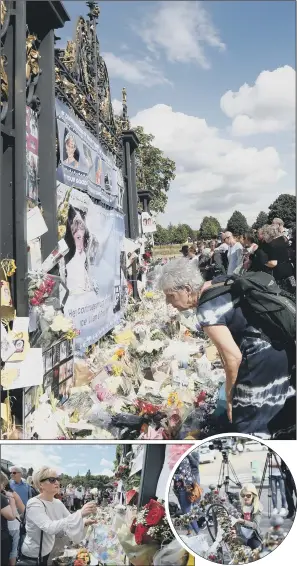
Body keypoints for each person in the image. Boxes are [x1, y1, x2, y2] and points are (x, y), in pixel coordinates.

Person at [157, 257, 294, 437]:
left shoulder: (207, 309)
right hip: (283, 350)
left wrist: (230, 396)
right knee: (278, 412)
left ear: (187, 289)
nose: (169, 302)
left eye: (171, 296)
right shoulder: (218, 282)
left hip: (260, 359)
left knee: (249, 423)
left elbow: (233, 358)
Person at [20, 467, 97, 566]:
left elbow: (70, 521)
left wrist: (84, 521)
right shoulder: (34, 504)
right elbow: (50, 528)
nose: (57, 482)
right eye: (52, 480)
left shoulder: (57, 503)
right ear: (40, 484)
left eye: (58, 479)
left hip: (48, 551)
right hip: (33, 555)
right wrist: (80, 513)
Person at [262, 224, 295, 294]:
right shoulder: (283, 239)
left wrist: (264, 264)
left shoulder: (270, 245)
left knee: (284, 295)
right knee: (294, 290)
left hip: (279, 274)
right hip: (289, 270)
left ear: (268, 234)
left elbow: (273, 263)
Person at [1, 471, 25, 566]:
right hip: (12, 525)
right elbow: (22, 509)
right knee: (13, 550)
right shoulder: (12, 494)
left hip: (7, 527)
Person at [173, 453, 200, 536]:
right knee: (186, 512)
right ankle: (191, 530)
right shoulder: (183, 458)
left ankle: (198, 533)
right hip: (181, 489)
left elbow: (183, 474)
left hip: (184, 489)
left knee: (187, 513)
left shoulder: (183, 459)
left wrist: (171, 476)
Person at [65, 211, 92, 294]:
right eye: (78, 238)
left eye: (82, 238)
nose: (81, 243)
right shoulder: (70, 255)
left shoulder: (83, 255)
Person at [236, 484, 263, 550]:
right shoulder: (239, 505)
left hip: (252, 536)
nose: (245, 497)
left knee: (258, 548)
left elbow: (255, 525)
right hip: (240, 534)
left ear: (253, 495)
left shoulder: (257, 508)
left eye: (248, 495)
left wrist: (242, 521)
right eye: (243, 495)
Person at [1, 472, 17, 566]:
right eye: (2, 484)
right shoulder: (1, 498)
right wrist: (12, 502)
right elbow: (11, 516)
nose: (3, 487)